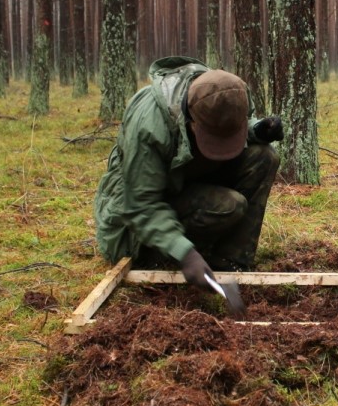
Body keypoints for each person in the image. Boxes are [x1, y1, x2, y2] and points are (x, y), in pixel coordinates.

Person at [93, 56, 283, 299]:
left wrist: (257, 130)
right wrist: (185, 253)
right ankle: (160, 254)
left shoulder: (220, 91)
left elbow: (231, 124)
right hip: (137, 217)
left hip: (187, 179)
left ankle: (228, 261)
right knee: (230, 205)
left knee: (264, 156)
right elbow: (140, 205)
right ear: (192, 123)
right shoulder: (149, 125)